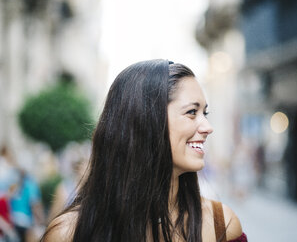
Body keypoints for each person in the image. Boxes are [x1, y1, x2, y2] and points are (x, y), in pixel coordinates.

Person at [42, 59, 247, 242]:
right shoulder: (68, 233)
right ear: (145, 122)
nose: (207, 127)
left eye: (205, 112)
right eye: (192, 112)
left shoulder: (222, 225)